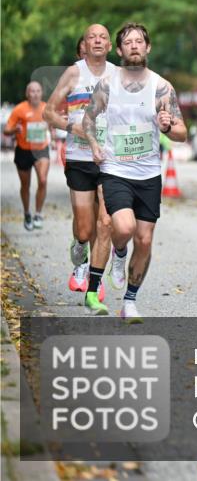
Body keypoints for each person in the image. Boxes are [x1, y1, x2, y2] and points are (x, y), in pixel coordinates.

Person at [83, 22, 187, 319]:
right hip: (116, 169)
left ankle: (129, 301)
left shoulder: (161, 87)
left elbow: (182, 133)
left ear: (148, 47)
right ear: (119, 50)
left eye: (139, 41)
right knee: (124, 228)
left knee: (144, 239)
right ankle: (118, 251)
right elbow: (89, 120)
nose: (134, 45)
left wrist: (168, 126)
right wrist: (93, 144)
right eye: (128, 42)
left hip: (149, 173)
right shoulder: (107, 84)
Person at [43, 24, 116, 311]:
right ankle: (79, 250)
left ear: (110, 46)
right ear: (84, 44)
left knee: (106, 223)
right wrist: (73, 126)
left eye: (103, 38)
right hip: (79, 158)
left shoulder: (118, 75)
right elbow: (49, 111)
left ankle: (94, 285)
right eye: (91, 37)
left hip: (110, 161)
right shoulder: (74, 72)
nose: (97, 41)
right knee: (85, 229)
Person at [4, 81, 52, 231]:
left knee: (43, 180)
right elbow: (6, 129)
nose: (35, 94)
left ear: (41, 93)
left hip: (41, 149)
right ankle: (27, 213)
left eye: (38, 91)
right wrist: (14, 130)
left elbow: (53, 123)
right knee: (26, 185)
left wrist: (53, 126)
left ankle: (38, 214)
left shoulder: (46, 108)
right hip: (24, 150)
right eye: (32, 91)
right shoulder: (19, 109)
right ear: (27, 94)